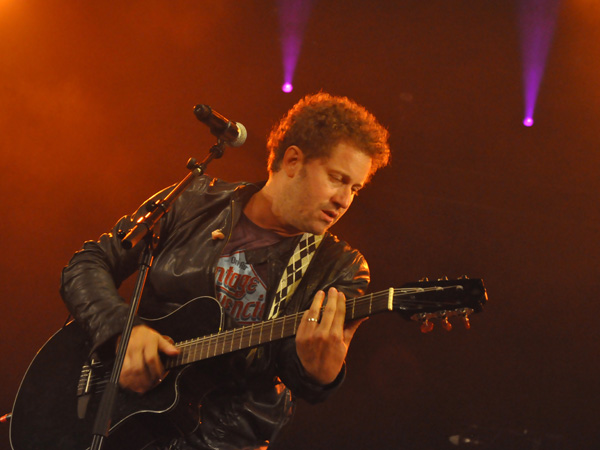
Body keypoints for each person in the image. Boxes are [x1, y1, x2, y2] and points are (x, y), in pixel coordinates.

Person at [60, 92, 391, 450]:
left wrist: (321, 374)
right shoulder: (192, 201)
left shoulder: (340, 267)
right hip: (115, 421)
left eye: (355, 188)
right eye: (337, 178)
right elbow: (88, 262)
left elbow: (298, 374)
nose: (344, 200)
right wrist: (121, 333)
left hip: (216, 441)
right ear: (293, 160)